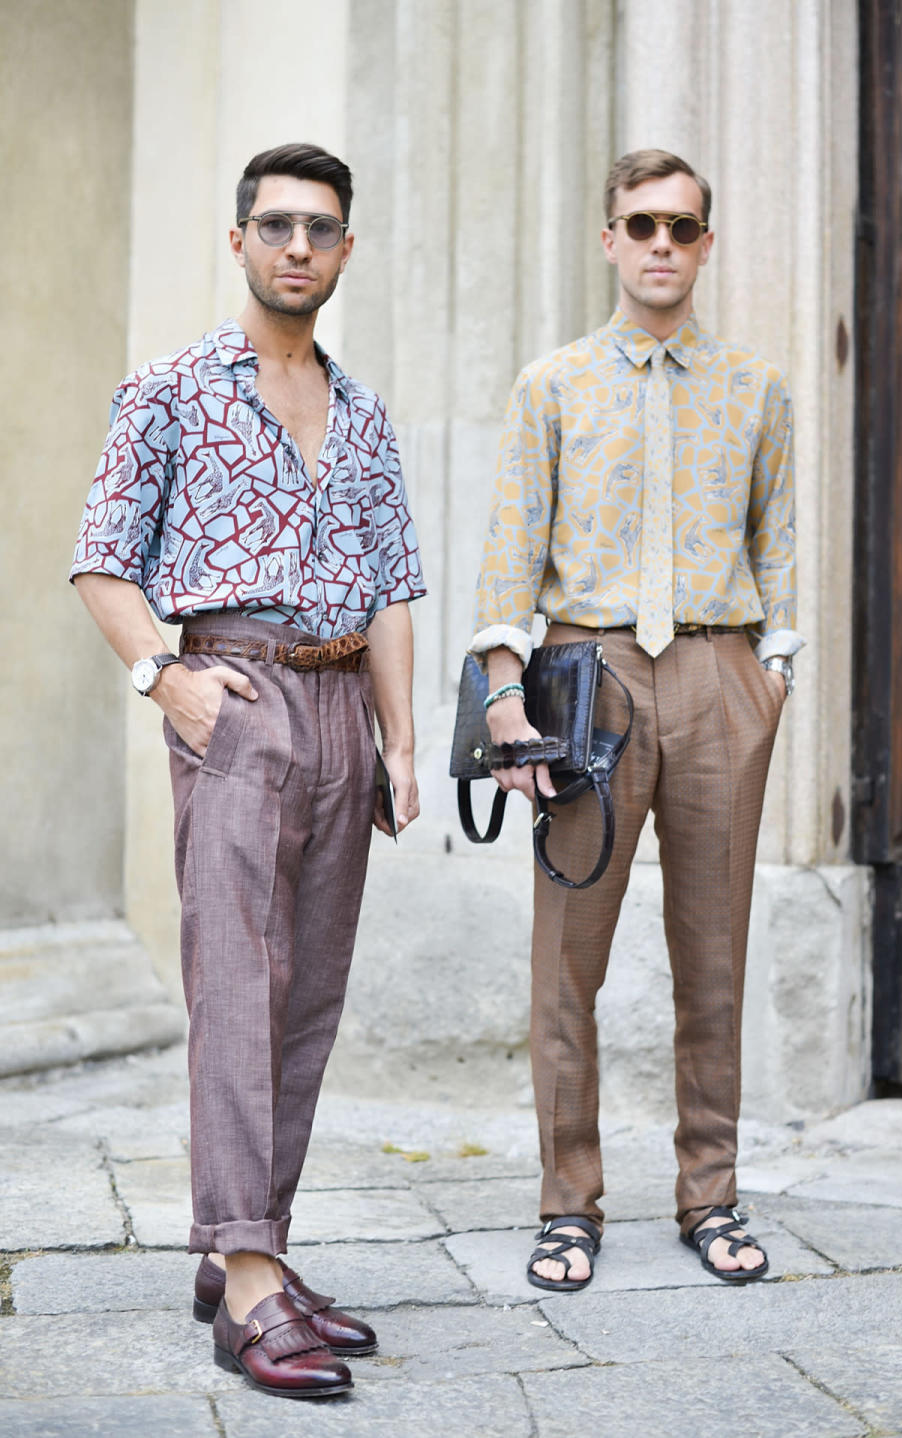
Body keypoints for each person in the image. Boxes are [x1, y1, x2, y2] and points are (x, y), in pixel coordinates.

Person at [71, 142, 425, 1397]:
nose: (297, 246)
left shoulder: (367, 412)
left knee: (308, 995)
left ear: (344, 251)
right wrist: (165, 679)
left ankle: (245, 1248)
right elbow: (103, 559)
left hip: (342, 708)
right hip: (235, 693)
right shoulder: (169, 389)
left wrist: (399, 740)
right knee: (238, 986)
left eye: (320, 229)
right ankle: (253, 1281)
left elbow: (390, 590)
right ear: (239, 243)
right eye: (274, 225)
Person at [469, 148, 803, 1292]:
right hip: (588, 682)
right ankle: (569, 1202)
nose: (662, 243)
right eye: (641, 224)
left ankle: (710, 1191)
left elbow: (780, 545)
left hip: (717, 674)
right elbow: (510, 552)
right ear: (609, 239)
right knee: (569, 959)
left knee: (712, 955)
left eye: (682, 226)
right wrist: (508, 705)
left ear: (705, 244)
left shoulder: (758, 389)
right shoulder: (552, 384)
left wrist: (768, 680)